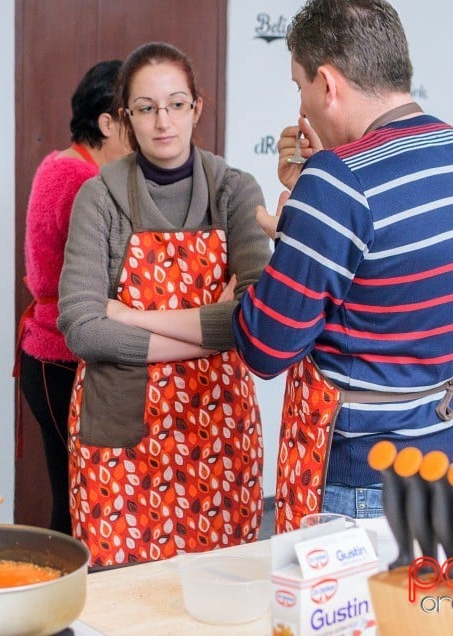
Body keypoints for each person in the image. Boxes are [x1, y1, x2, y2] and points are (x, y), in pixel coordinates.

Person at [232, 0, 453, 533]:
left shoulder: (337, 183)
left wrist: (308, 205)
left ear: (327, 83)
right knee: (429, 612)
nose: (303, 105)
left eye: (300, 87)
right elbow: (396, 290)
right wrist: (312, 201)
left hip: (365, 479)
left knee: (353, 620)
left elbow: (266, 346)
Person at [58, 41, 273, 566]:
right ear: (125, 118)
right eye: (146, 108)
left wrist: (131, 317)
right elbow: (83, 329)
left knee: (220, 588)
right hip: (120, 439)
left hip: (218, 432)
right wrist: (209, 334)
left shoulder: (235, 192)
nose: (163, 122)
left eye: (176, 104)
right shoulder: (99, 197)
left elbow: (257, 315)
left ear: (196, 108)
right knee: (121, 597)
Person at [16, 60, 130, 535]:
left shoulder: (63, 164)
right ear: (107, 122)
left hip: (47, 356)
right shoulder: (82, 180)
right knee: (78, 501)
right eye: (136, 112)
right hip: (60, 357)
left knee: (73, 497)